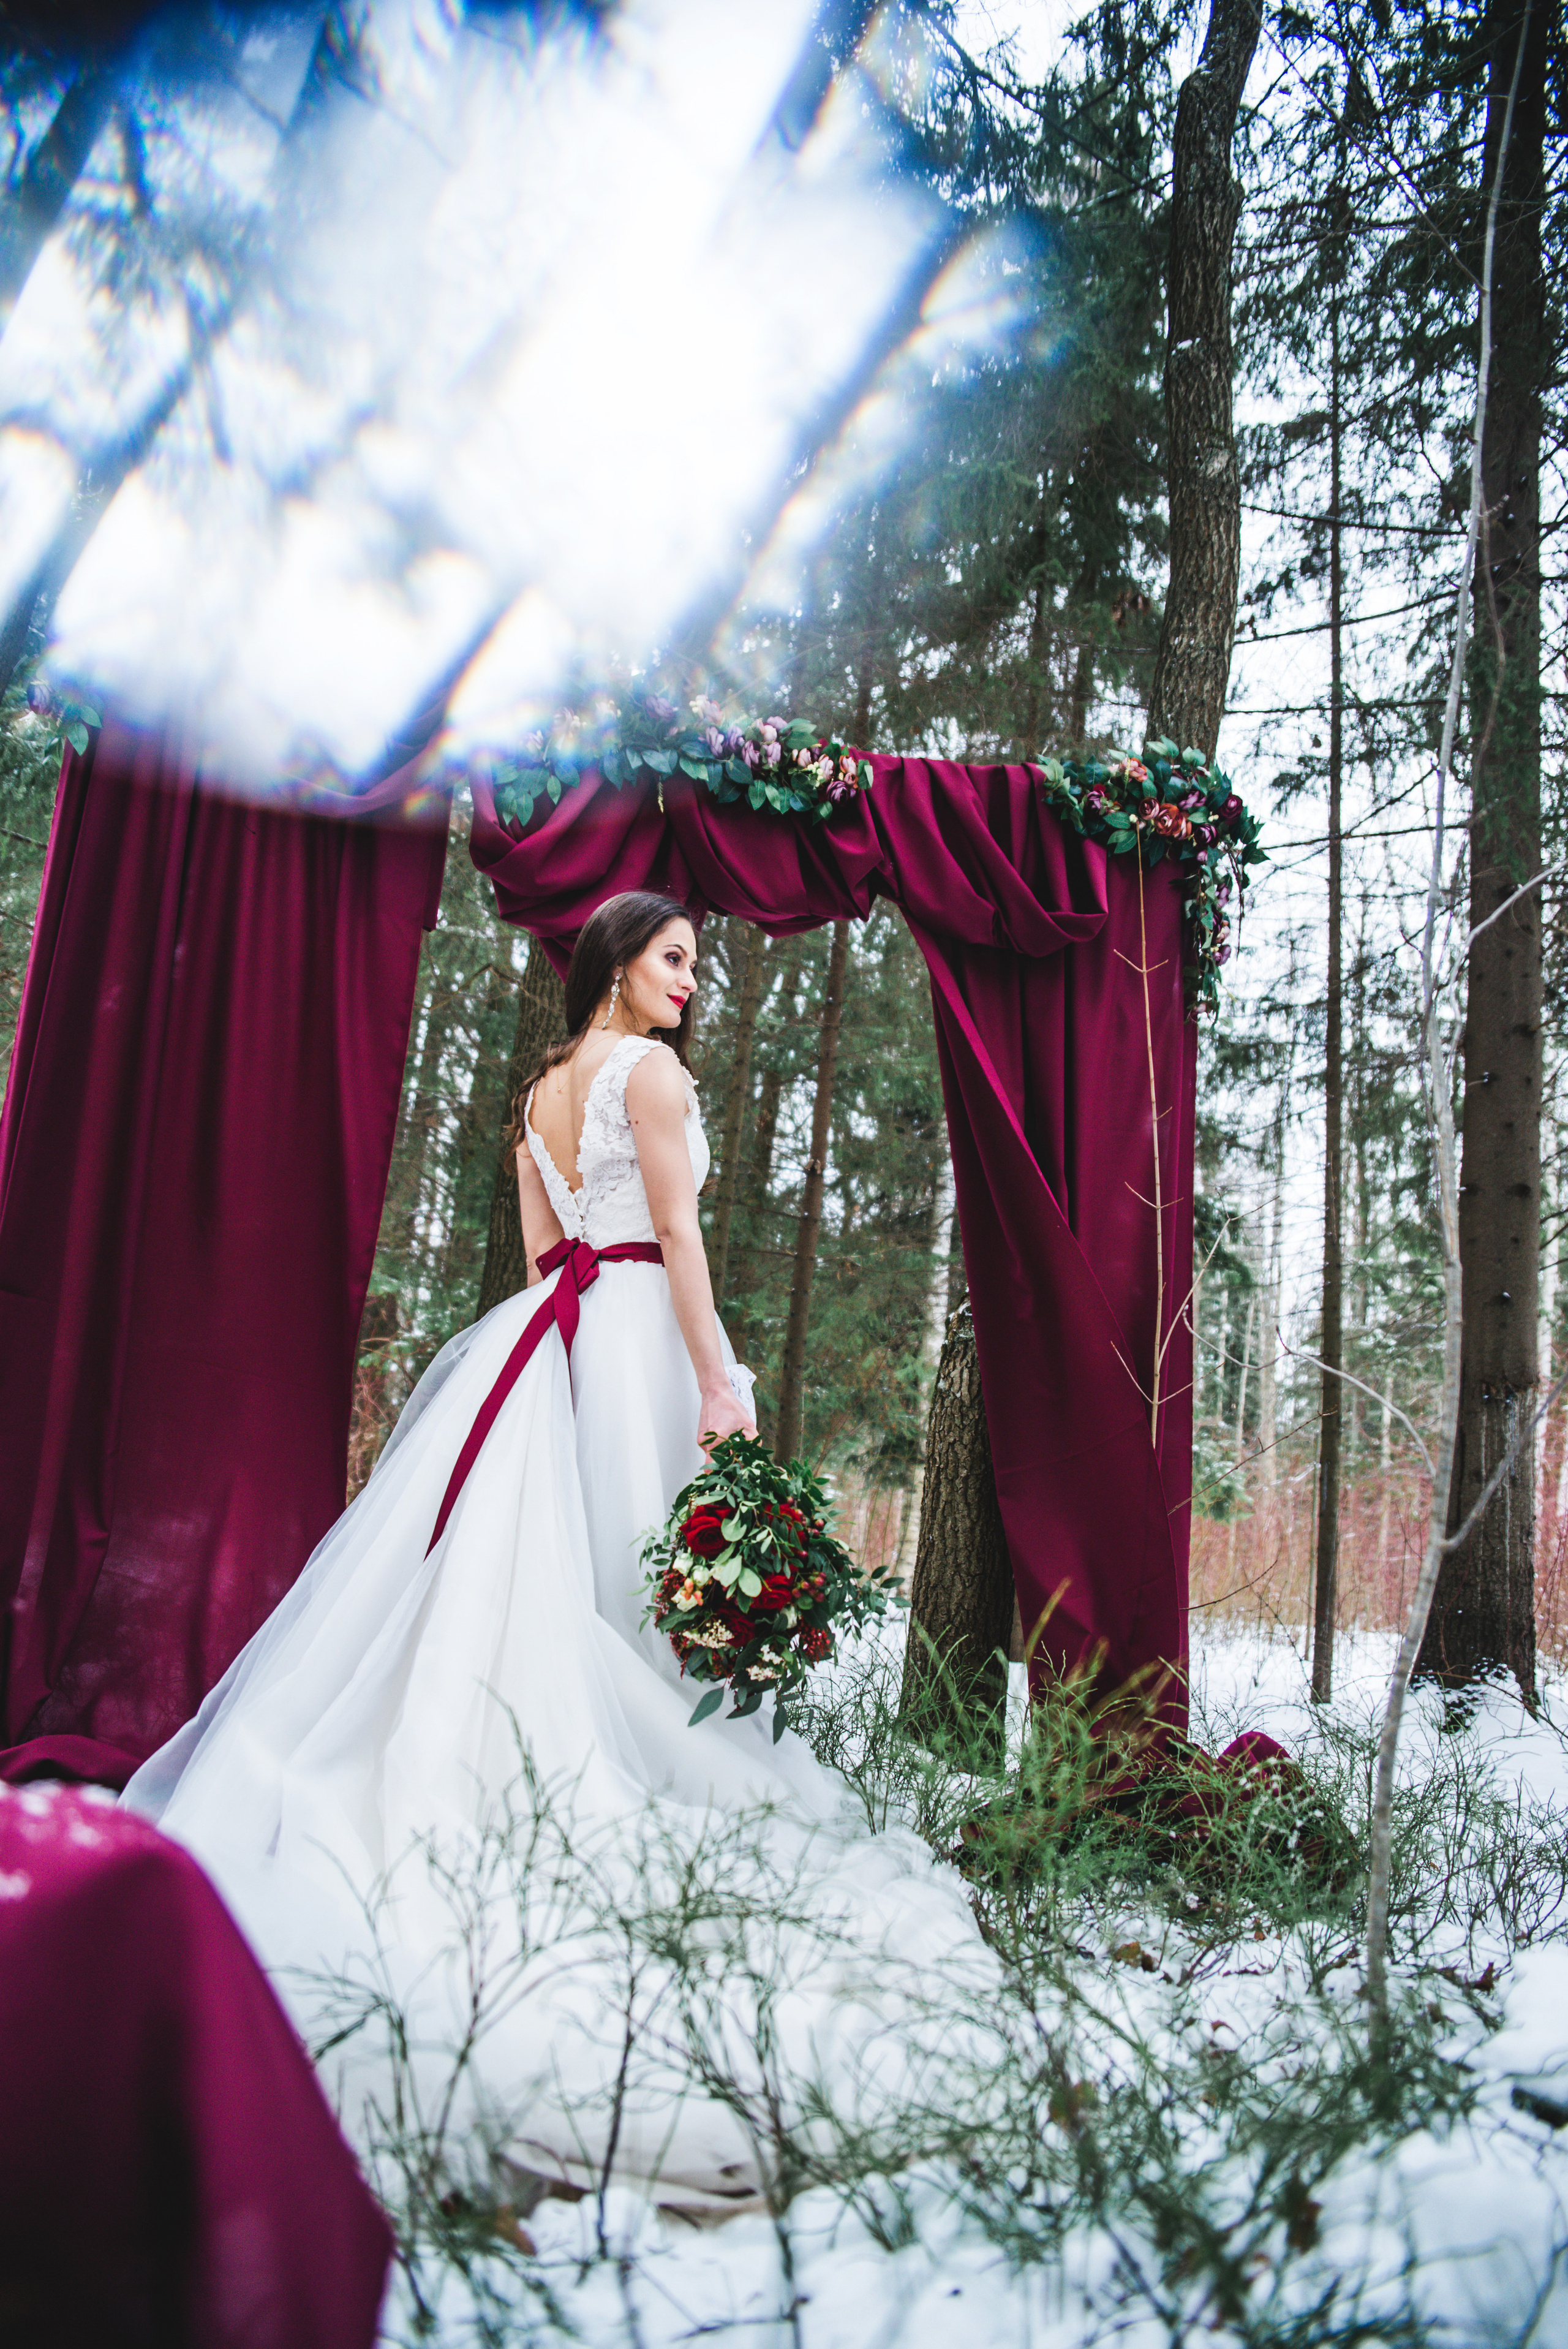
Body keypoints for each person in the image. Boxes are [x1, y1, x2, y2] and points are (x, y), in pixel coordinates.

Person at [123, 890, 986, 2200]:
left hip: (548, 1342)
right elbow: (680, 1235)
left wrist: (568, 1350)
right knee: (632, 1558)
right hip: (635, 1325)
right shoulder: (646, 1072)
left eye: (696, 963)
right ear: (619, 965)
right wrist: (715, 1381)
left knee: (562, 1555)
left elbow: (540, 1259)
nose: (693, 980)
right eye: (675, 958)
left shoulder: (538, 1093)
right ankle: (634, 1760)